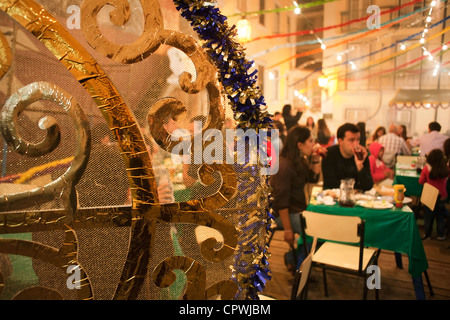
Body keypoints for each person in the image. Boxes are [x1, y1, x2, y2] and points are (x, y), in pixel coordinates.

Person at [269, 126, 321, 250]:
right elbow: (281, 201)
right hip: (283, 214)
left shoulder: (297, 160)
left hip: (298, 209)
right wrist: (288, 230)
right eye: (310, 141)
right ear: (300, 145)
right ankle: (298, 263)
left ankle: (293, 259)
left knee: (321, 226)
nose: (314, 144)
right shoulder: (285, 165)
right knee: (313, 232)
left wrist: (315, 157)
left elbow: (313, 178)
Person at [322, 123, 373, 191]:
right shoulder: (329, 154)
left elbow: (368, 186)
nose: (356, 144)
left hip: (357, 199)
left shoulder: (361, 155)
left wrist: (360, 166)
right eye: (351, 140)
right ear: (340, 141)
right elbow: (330, 184)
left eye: (358, 140)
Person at [419, 149, 448, 240]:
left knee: (428, 216)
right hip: (442, 196)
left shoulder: (426, 169)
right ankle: (441, 234)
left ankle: (427, 234)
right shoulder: (446, 168)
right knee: (440, 215)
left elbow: (421, 181)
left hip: (430, 197)